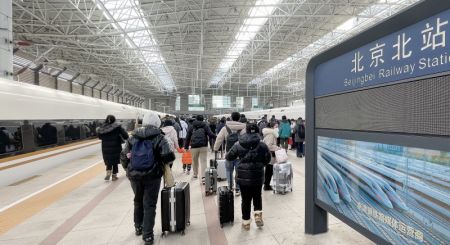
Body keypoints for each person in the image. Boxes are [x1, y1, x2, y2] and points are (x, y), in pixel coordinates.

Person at [120, 112, 175, 245]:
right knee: (149, 204)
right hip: (153, 176)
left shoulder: (132, 137)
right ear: (157, 123)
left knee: (137, 201)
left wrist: (128, 169)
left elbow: (123, 156)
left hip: (134, 176)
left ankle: (138, 227)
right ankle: (148, 236)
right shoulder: (160, 137)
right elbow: (168, 156)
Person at [226, 123, 271, 230]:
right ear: (257, 131)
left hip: (242, 177)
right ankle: (258, 217)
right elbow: (267, 159)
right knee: (257, 197)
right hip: (257, 176)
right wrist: (260, 165)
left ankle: (246, 222)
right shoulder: (262, 145)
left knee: (245, 200)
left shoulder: (238, 143)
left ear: (246, 131)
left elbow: (229, 157)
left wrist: (239, 158)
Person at [214, 112, 246, 196]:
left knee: (229, 170)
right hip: (240, 154)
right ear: (239, 118)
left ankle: (230, 187)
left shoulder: (225, 128)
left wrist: (215, 149)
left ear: (231, 118)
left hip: (229, 154)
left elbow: (219, 139)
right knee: (239, 172)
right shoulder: (244, 128)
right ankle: (238, 189)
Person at [97, 115, 129, 181]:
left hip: (105, 147)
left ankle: (108, 172)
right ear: (114, 120)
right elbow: (125, 135)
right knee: (115, 161)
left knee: (109, 160)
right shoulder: (117, 127)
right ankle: (114, 176)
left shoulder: (102, 127)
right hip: (116, 146)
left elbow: (99, 136)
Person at [184, 115, 216, 181]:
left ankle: (195, 174)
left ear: (196, 119)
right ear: (203, 119)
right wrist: (217, 137)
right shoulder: (205, 125)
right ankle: (204, 176)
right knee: (203, 161)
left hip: (194, 146)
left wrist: (186, 146)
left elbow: (188, 137)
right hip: (203, 146)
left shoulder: (191, 126)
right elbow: (210, 134)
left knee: (194, 161)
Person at [262, 122, 279, 191]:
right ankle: (266, 185)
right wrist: (277, 148)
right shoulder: (271, 134)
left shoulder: (269, 133)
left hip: (268, 154)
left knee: (269, 170)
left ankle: (266, 184)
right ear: (272, 126)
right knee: (269, 170)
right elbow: (269, 146)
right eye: (276, 126)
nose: (277, 127)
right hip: (270, 155)